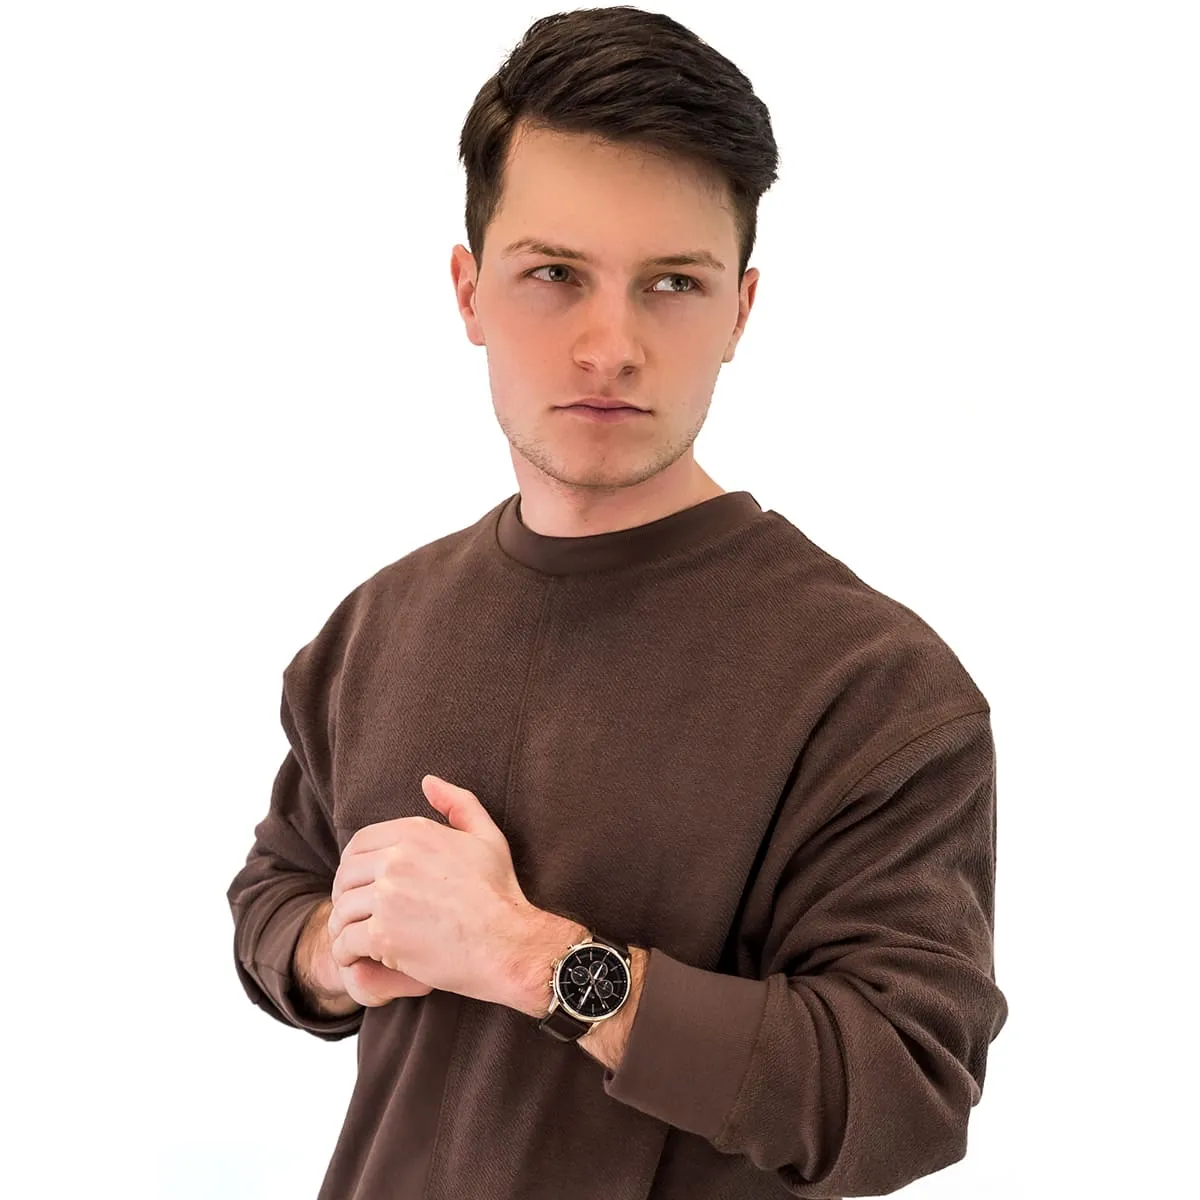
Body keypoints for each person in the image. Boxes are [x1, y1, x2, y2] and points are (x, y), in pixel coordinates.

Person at [226, 7, 1008, 1198]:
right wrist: (332, 949)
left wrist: (534, 960)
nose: (610, 345)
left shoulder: (874, 685)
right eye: (555, 275)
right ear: (469, 292)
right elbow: (276, 890)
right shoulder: (377, 625)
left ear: (740, 310)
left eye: (672, 284)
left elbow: (901, 1090)